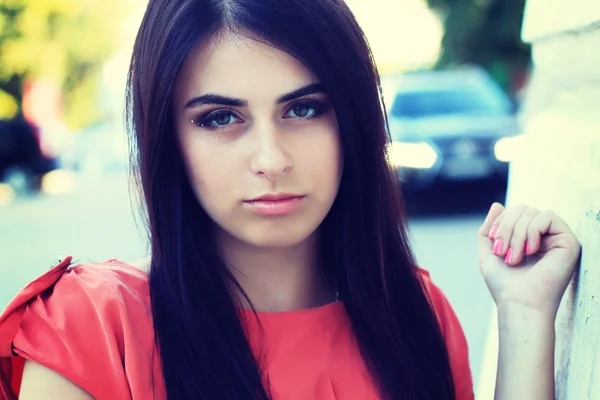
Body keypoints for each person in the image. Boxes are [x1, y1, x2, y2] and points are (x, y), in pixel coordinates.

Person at [0, 0, 581, 399]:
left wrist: (525, 316)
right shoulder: (88, 329)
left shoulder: (413, 312)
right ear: (166, 139)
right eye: (220, 118)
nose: (271, 159)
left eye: (303, 109)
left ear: (351, 121)